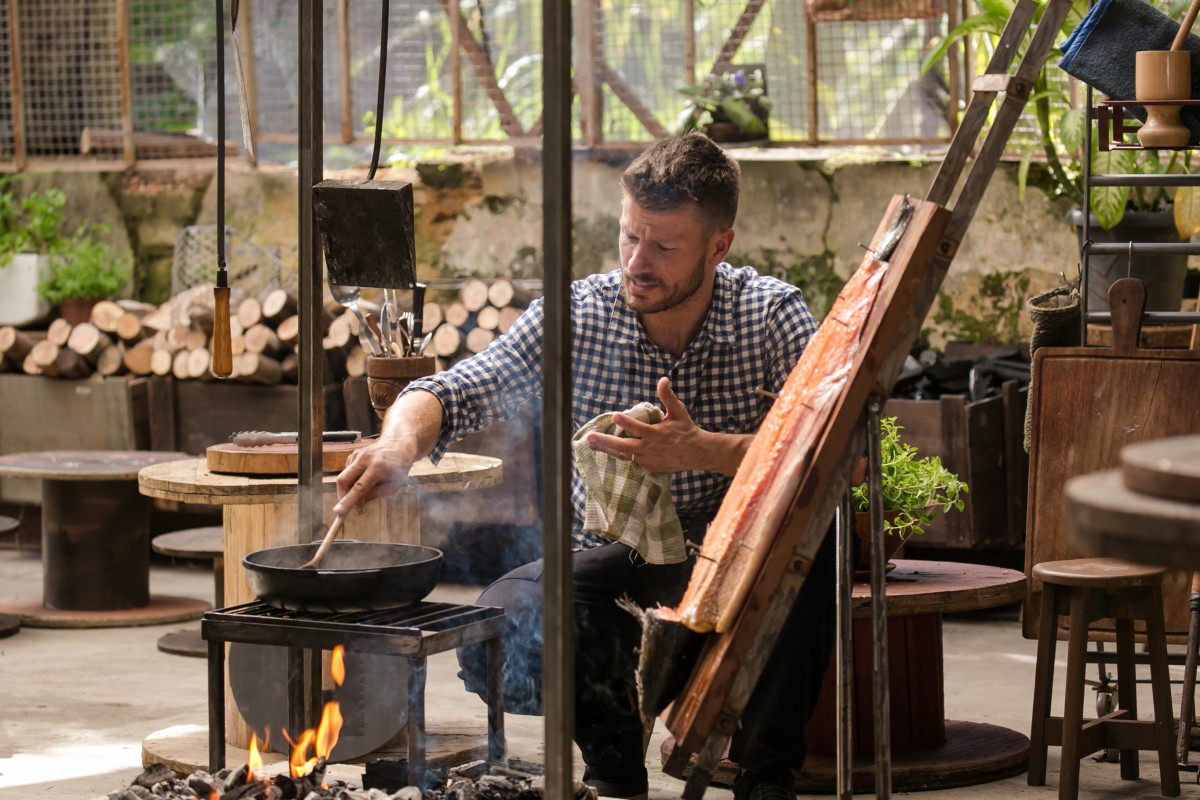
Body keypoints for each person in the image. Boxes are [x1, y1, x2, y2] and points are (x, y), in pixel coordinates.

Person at [335, 133, 838, 800]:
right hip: (615, 557)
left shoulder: (771, 314)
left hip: (739, 552)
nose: (637, 261)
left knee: (819, 539)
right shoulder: (579, 313)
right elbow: (450, 389)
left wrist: (696, 449)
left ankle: (767, 778)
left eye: (663, 246)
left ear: (719, 247)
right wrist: (396, 447)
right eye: (630, 236)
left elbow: (827, 449)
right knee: (510, 617)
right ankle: (614, 775)